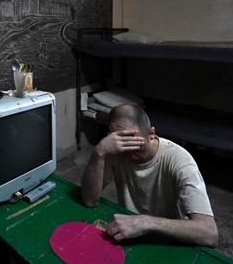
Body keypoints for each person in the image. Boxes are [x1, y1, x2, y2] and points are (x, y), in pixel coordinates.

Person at [80, 104, 219, 247]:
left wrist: (145, 222)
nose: (129, 152)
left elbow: (210, 233)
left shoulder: (179, 160)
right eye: (123, 142)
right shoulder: (115, 150)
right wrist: (99, 152)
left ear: (151, 134)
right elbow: (90, 200)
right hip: (129, 235)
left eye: (135, 143)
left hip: (169, 239)